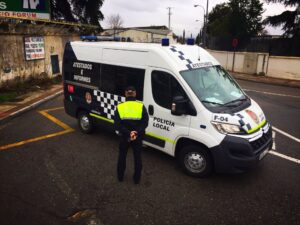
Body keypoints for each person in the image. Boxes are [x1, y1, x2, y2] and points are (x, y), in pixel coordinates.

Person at [114, 86, 149, 184]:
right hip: (137, 137)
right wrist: (135, 132)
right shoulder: (141, 106)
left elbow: (117, 125)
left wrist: (128, 133)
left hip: (124, 137)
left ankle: (120, 177)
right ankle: (136, 179)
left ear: (125, 94)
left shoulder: (120, 107)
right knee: (137, 157)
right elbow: (145, 123)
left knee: (122, 156)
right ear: (135, 94)